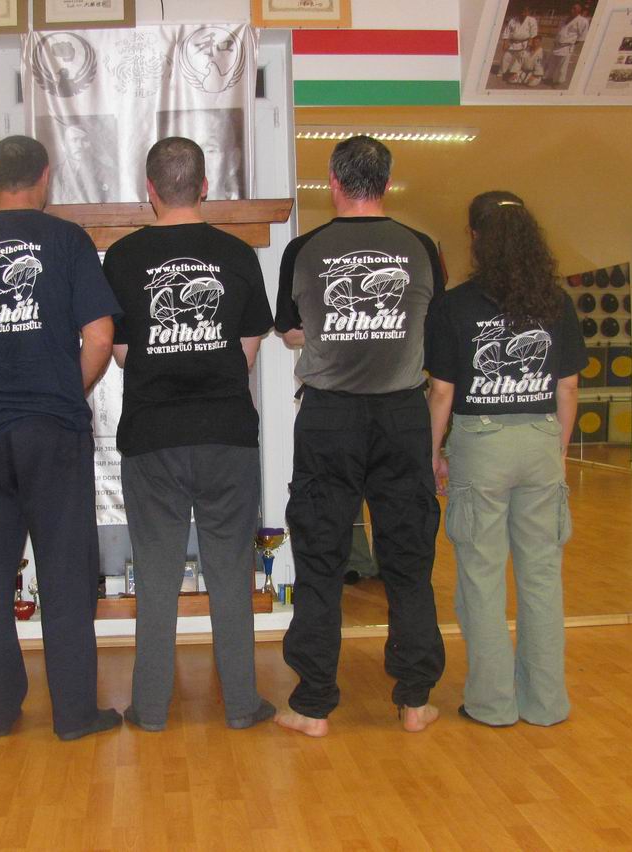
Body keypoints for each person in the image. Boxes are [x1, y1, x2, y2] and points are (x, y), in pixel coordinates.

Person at [0, 135, 122, 741]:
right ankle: (74, 715)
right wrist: (63, 388)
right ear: (45, 176)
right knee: (65, 572)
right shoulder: (68, 241)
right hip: (52, 429)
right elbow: (100, 336)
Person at [273, 135, 446, 737]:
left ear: (333, 182)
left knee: (320, 558)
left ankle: (312, 705)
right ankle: (415, 699)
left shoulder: (303, 249)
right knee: (408, 558)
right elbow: (431, 326)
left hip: (330, 419)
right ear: (387, 183)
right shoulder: (422, 246)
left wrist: (329, 330)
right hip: (402, 416)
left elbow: (289, 331)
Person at [102, 137, 276, 732]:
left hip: (153, 437)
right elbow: (246, 353)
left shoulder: (122, 258)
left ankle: (150, 709)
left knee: (155, 576)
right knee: (230, 573)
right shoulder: (237, 254)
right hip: (226, 434)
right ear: (204, 186)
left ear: (150, 190)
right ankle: (242, 705)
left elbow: (122, 354)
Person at [425, 191, 583, 728]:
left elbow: (441, 393)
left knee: (482, 578)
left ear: (476, 237)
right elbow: (567, 388)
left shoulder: (454, 306)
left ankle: (493, 704)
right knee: (542, 578)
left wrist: (432, 454)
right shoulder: (556, 303)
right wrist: (558, 450)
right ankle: (546, 703)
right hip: (541, 441)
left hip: (482, 447)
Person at [547, 4, 590, 87]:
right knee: (552, 63)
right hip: (557, 45)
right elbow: (560, 31)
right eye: (571, 8)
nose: (572, 10)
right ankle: (549, 78)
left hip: (567, 46)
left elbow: (582, 37)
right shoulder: (565, 19)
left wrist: (570, 44)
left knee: (562, 66)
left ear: (579, 10)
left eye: (574, 8)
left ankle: (557, 82)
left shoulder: (583, 21)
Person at [500, 6, 538, 82]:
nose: (523, 14)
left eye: (525, 12)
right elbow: (507, 31)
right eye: (521, 12)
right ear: (518, 12)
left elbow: (533, 33)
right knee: (506, 57)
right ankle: (502, 72)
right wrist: (505, 43)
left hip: (524, 43)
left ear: (528, 13)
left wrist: (530, 44)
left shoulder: (532, 20)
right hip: (513, 43)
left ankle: (515, 73)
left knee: (520, 60)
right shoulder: (513, 20)